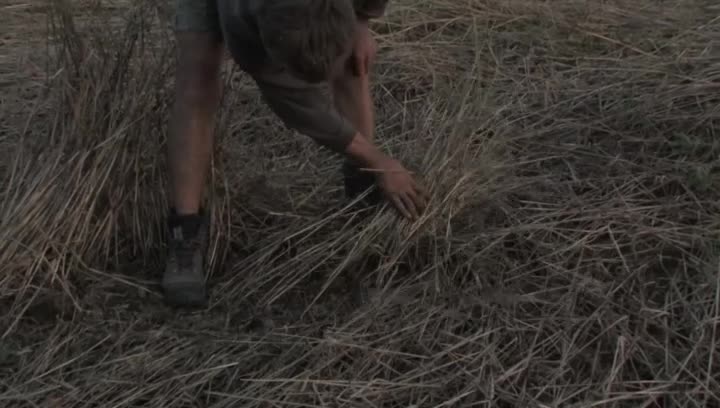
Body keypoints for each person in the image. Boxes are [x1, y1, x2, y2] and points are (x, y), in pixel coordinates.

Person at [164, 0, 428, 307]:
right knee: (198, 77)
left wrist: (361, 22)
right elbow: (299, 108)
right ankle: (186, 230)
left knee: (354, 59)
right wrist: (381, 161)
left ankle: (363, 199)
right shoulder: (244, 22)